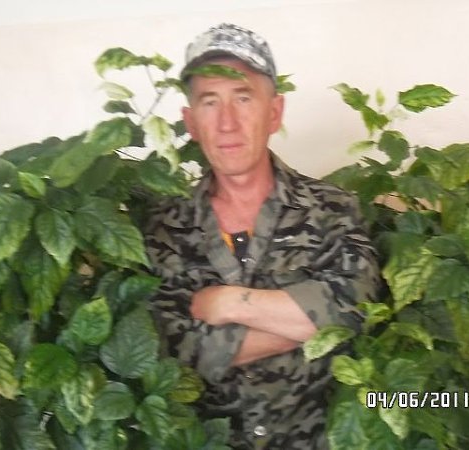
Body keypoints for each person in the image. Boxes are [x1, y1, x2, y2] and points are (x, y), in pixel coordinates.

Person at [144, 23, 380, 449]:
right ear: (191, 122)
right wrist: (311, 321)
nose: (227, 123)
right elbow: (172, 346)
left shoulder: (332, 208)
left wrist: (229, 303)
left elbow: (356, 308)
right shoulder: (164, 227)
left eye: (243, 98)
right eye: (210, 102)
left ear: (274, 112)